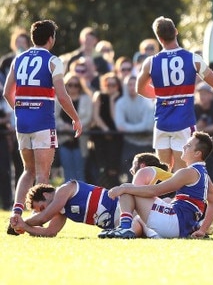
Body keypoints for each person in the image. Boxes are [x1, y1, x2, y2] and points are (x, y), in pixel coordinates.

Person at [3, 19, 83, 236]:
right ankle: (36, 222)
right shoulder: (53, 60)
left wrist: (19, 110)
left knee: (27, 171)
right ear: (51, 39)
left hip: (23, 122)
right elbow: (62, 94)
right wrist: (75, 118)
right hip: (42, 123)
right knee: (42, 175)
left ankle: (16, 215)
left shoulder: (18, 59)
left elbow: (7, 93)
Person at [136, 16, 213, 171]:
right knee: (181, 172)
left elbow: (140, 89)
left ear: (159, 38)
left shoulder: (151, 62)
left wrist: (162, 95)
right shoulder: (192, 59)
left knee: (163, 172)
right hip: (183, 123)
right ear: (176, 32)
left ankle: (163, 196)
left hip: (162, 123)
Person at [9, 153, 170, 237]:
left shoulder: (65, 189)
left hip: (125, 208)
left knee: (150, 221)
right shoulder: (60, 210)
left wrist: (22, 222)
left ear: (45, 194)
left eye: (42, 207)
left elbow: (43, 217)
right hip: (117, 224)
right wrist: (24, 227)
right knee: (140, 228)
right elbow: (49, 232)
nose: (45, 212)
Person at [106, 131, 213, 239]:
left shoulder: (188, 172)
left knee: (128, 189)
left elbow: (155, 191)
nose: (184, 147)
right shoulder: (203, 174)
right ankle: (127, 228)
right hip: (181, 225)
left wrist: (124, 188)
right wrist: (202, 230)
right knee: (134, 191)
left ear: (197, 153)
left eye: (189, 145)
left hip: (174, 222)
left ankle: (125, 228)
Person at [114, 75, 155, 180]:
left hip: (146, 145)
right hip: (129, 145)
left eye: (134, 84)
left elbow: (148, 126)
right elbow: (120, 126)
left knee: (147, 178)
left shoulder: (147, 102)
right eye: (129, 85)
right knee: (129, 177)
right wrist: (139, 129)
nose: (132, 87)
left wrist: (128, 128)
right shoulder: (120, 103)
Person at [55, 73, 93, 182]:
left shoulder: (86, 99)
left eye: (76, 85)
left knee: (80, 173)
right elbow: (54, 116)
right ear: (65, 85)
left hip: (80, 141)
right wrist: (65, 126)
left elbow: (88, 117)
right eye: (70, 85)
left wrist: (76, 126)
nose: (73, 87)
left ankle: (81, 197)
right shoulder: (59, 99)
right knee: (67, 173)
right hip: (64, 140)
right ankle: (68, 198)